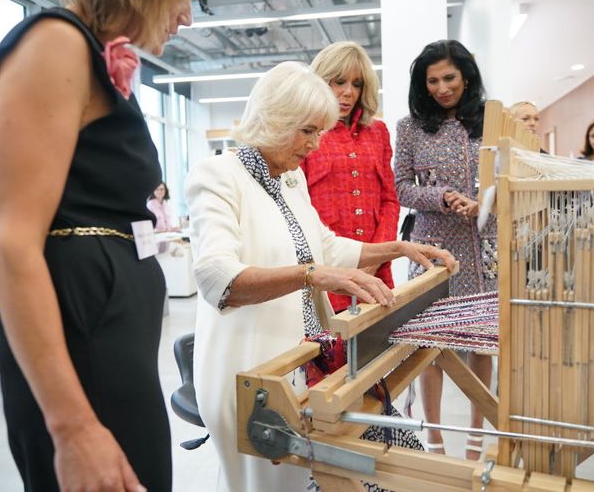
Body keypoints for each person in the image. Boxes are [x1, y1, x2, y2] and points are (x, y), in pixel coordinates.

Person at [0, 0, 219, 491]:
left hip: (109, 332)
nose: (185, 19)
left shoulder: (81, 54)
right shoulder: (56, 43)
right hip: (82, 329)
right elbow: (10, 243)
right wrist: (74, 428)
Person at [186, 61, 456, 492]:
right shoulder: (218, 176)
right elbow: (219, 278)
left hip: (306, 362)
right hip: (253, 369)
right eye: (308, 131)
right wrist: (311, 275)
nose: (315, 145)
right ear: (276, 120)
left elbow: (325, 247)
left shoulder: (289, 179)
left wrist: (399, 247)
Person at [394, 40, 496, 460]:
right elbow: (402, 186)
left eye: (449, 78)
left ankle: (476, 435)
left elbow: (510, 180)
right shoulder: (410, 127)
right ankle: (433, 436)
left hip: (485, 247)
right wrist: (442, 196)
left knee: (485, 341)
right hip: (433, 249)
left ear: (466, 76)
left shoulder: (493, 122)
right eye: (432, 80)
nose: (441, 87)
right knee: (430, 343)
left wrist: (484, 203)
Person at [302, 41, 399, 312]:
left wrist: (376, 257)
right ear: (320, 82)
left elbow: (389, 201)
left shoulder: (377, 132)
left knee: (377, 349)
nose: (347, 93)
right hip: (326, 269)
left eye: (356, 84)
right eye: (339, 82)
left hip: (375, 272)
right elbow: (299, 204)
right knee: (330, 350)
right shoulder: (306, 133)